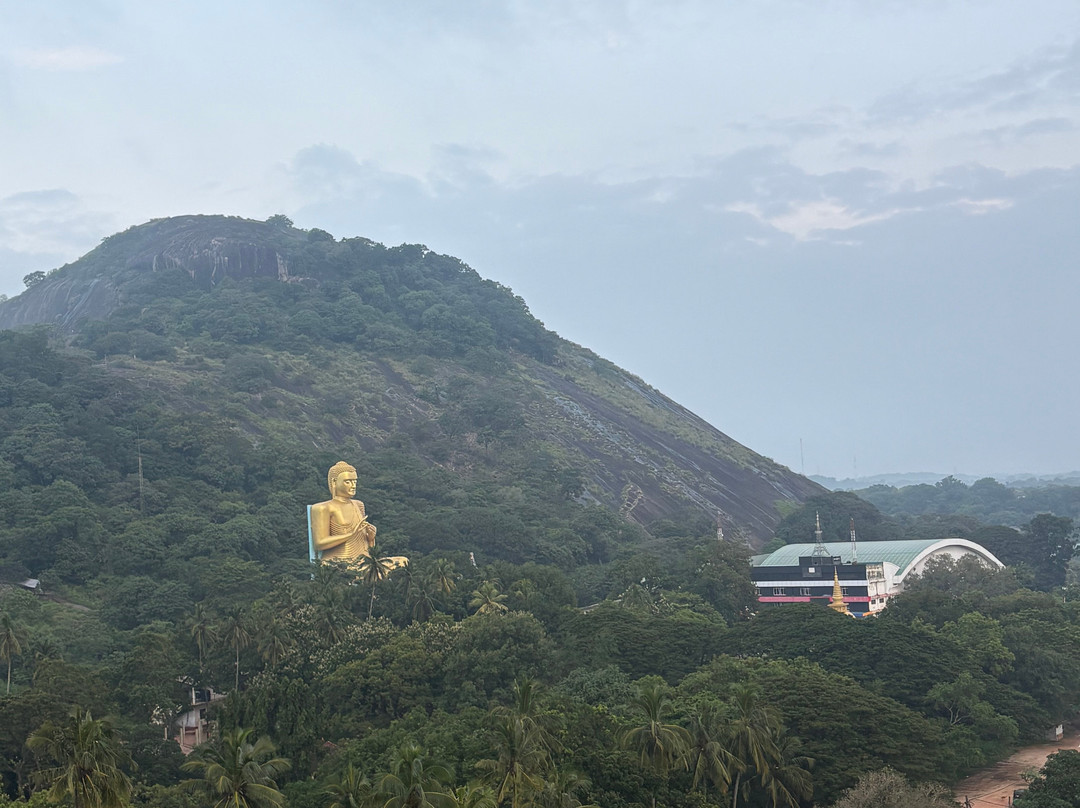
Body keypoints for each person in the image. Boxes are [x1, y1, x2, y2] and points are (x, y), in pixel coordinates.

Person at [309, 461, 377, 563]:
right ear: (334, 482)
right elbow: (319, 543)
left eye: (355, 481)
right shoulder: (322, 508)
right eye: (348, 482)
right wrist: (351, 534)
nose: (353, 485)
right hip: (338, 562)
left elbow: (367, 548)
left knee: (403, 562)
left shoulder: (359, 505)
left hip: (363, 561)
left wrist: (371, 539)